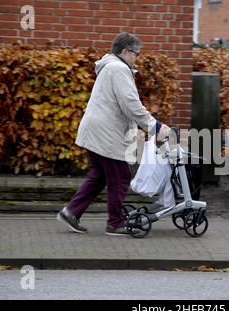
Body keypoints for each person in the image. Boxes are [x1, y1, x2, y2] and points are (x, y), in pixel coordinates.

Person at [57, 32, 171, 236]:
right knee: (121, 176)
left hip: (95, 131)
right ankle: (115, 223)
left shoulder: (109, 67)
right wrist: (155, 126)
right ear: (125, 51)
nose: (138, 58)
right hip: (106, 134)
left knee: (99, 176)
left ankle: (71, 212)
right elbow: (131, 105)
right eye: (136, 53)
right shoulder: (118, 69)